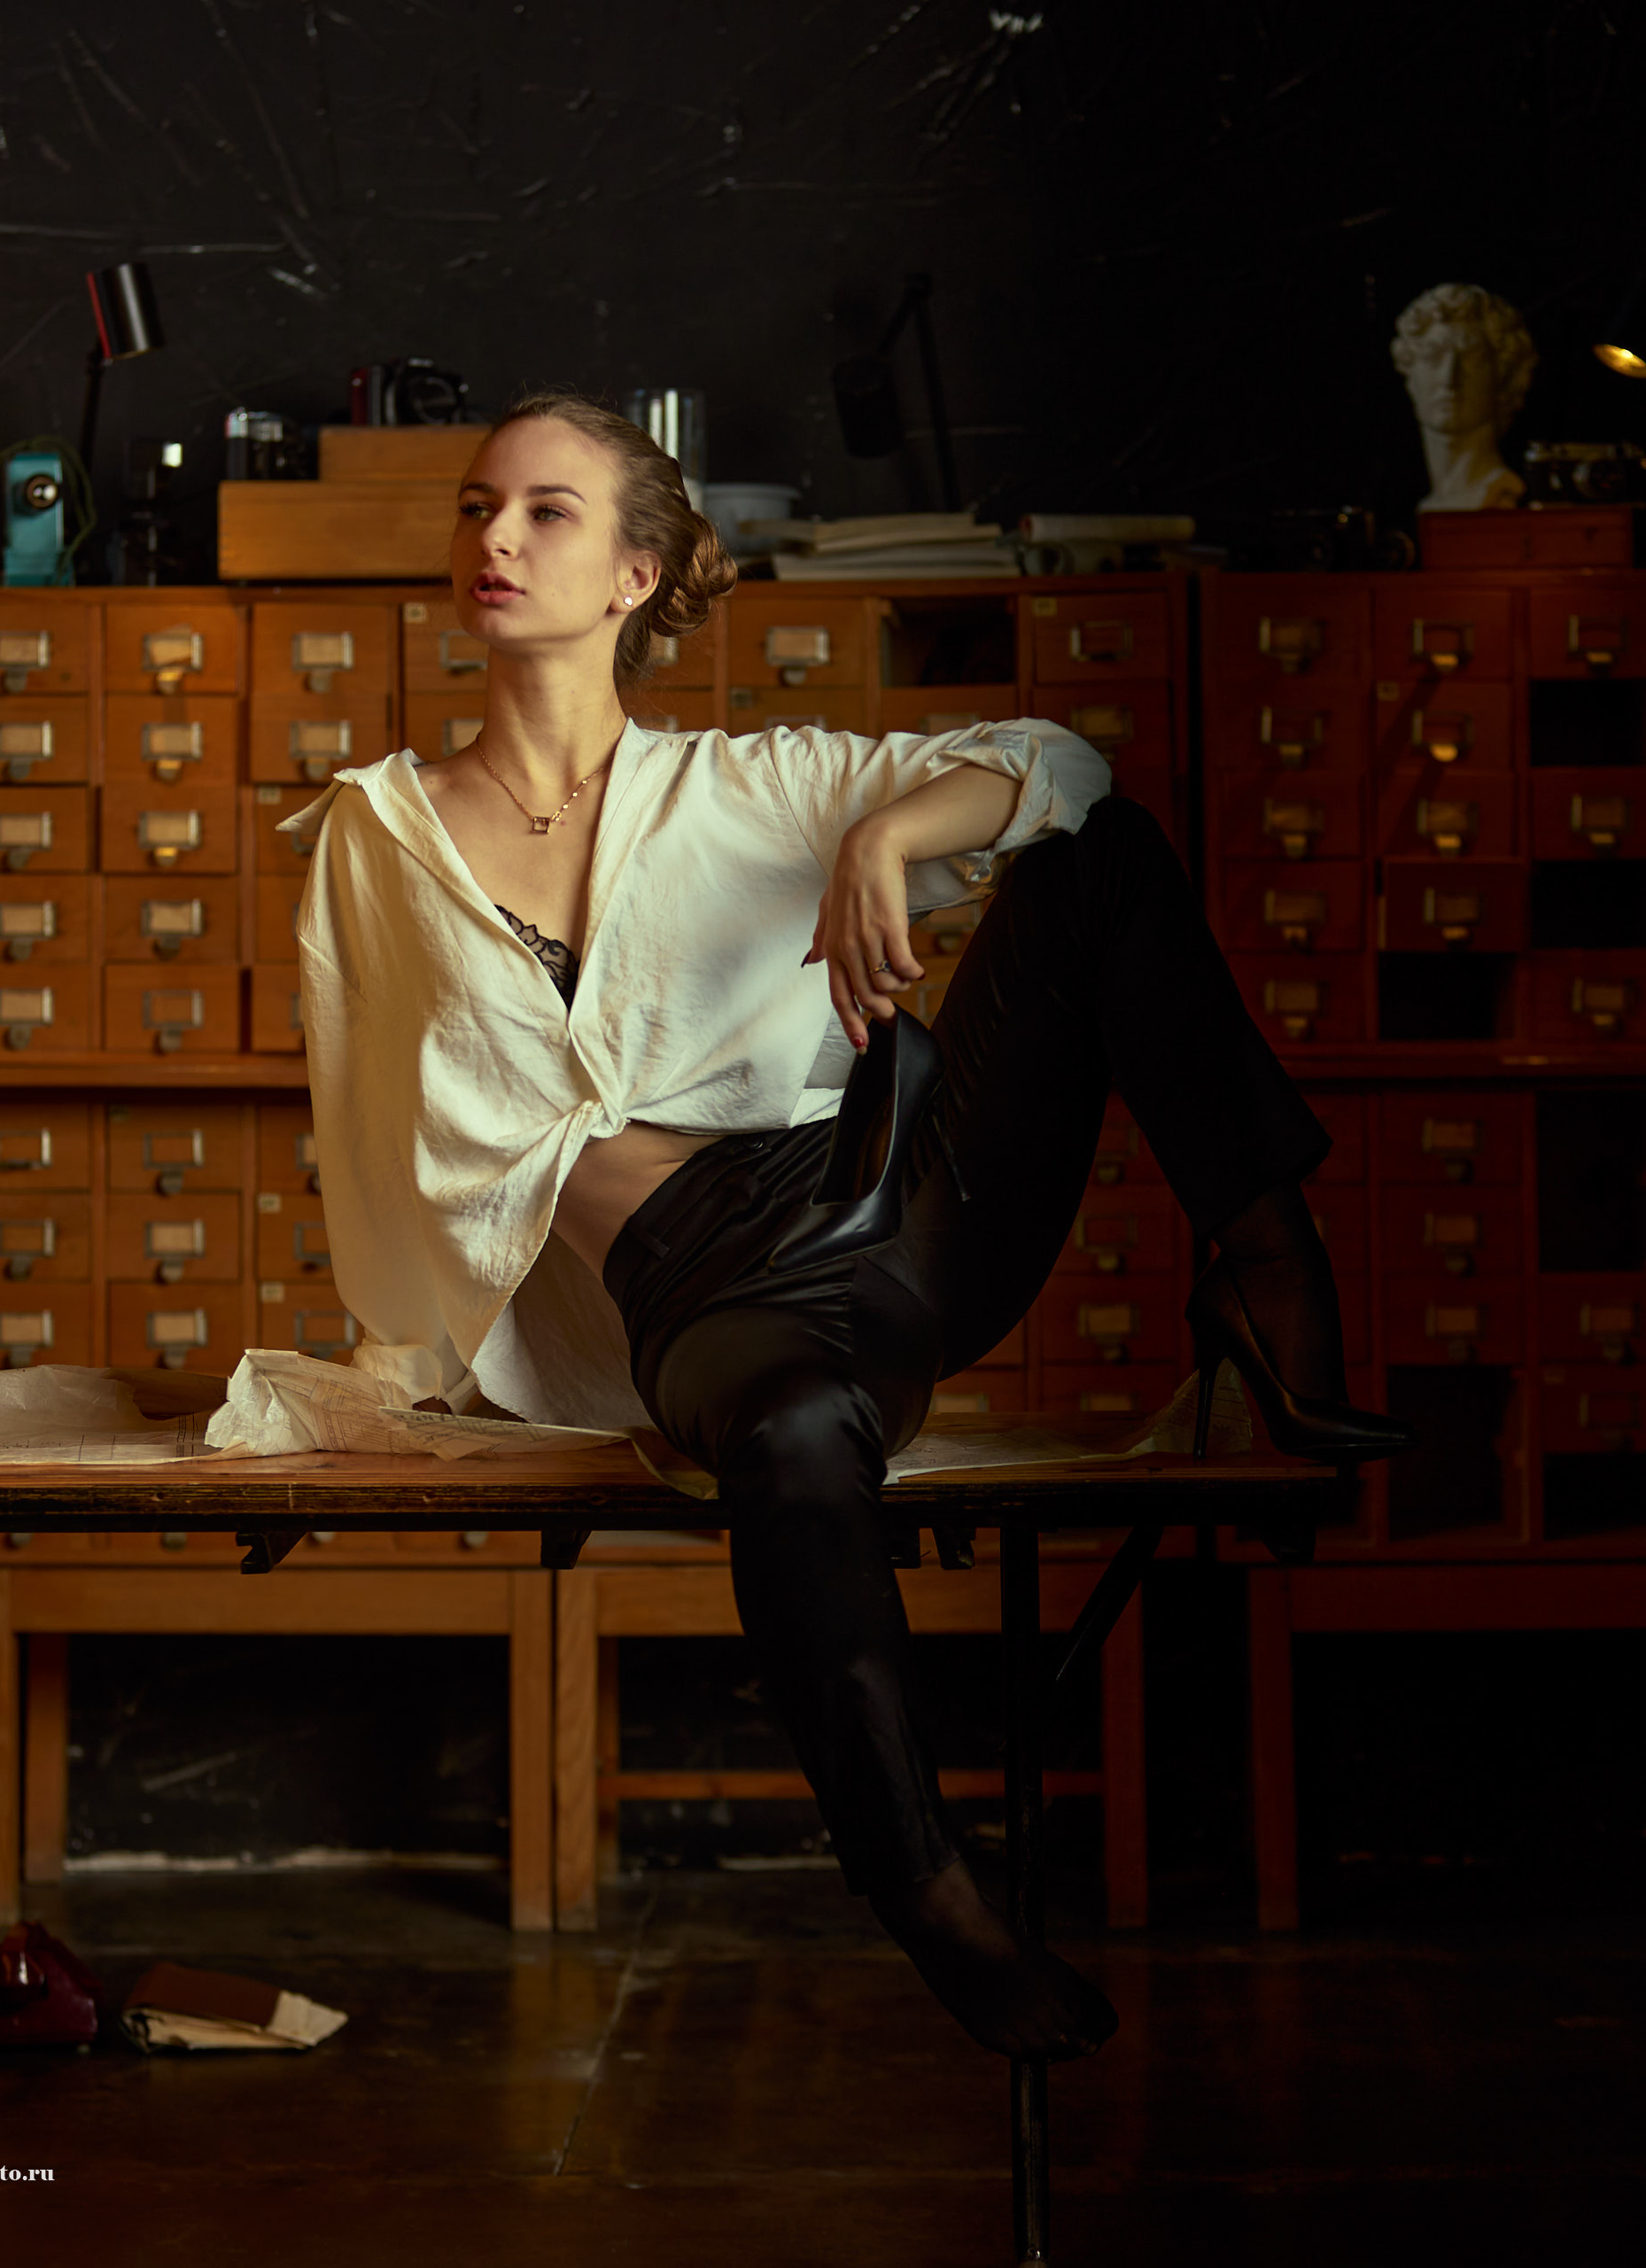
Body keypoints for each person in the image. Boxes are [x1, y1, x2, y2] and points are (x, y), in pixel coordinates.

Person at [290, 392, 1412, 2062]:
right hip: (717, 1293)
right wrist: (435, 1351)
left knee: (1097, 859)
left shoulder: (750, 785)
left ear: (635, 574)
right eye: (474, 506)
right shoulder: (377, 833)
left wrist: (888, 831)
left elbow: (1060, 764)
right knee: (798, 1441)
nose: (493, 539)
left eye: (543, 510)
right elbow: (383, 1122)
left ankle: (1264, 1266)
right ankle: (929, 1891)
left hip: (905, 1199)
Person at [1391, 281, 1537, 513]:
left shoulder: (1503, 493)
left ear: (1502, 375)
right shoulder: (1416, 499)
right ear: (1410, 373)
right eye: (1433, 356)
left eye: (1472, 359)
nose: (1449, 378)